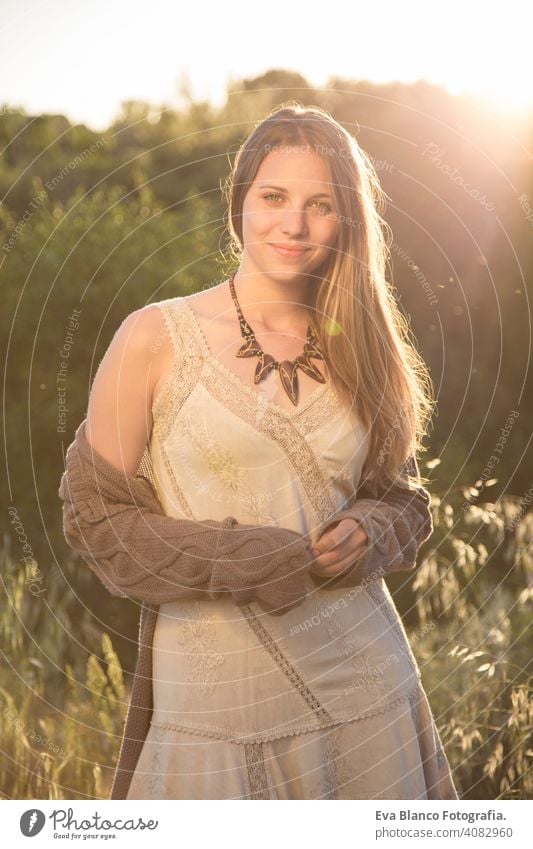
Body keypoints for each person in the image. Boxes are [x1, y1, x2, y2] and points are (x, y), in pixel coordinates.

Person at [64, 101, 458, 800]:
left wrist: (369, 529)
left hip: (366, 693)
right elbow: (96, 518)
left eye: (320, 204)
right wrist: (242, 557)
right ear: (238, 202)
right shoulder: (153, 336)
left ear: (347, 222)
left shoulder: (363, 341)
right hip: (211, 706)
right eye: (273, 197)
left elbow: (403, 495)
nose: (294, 224)